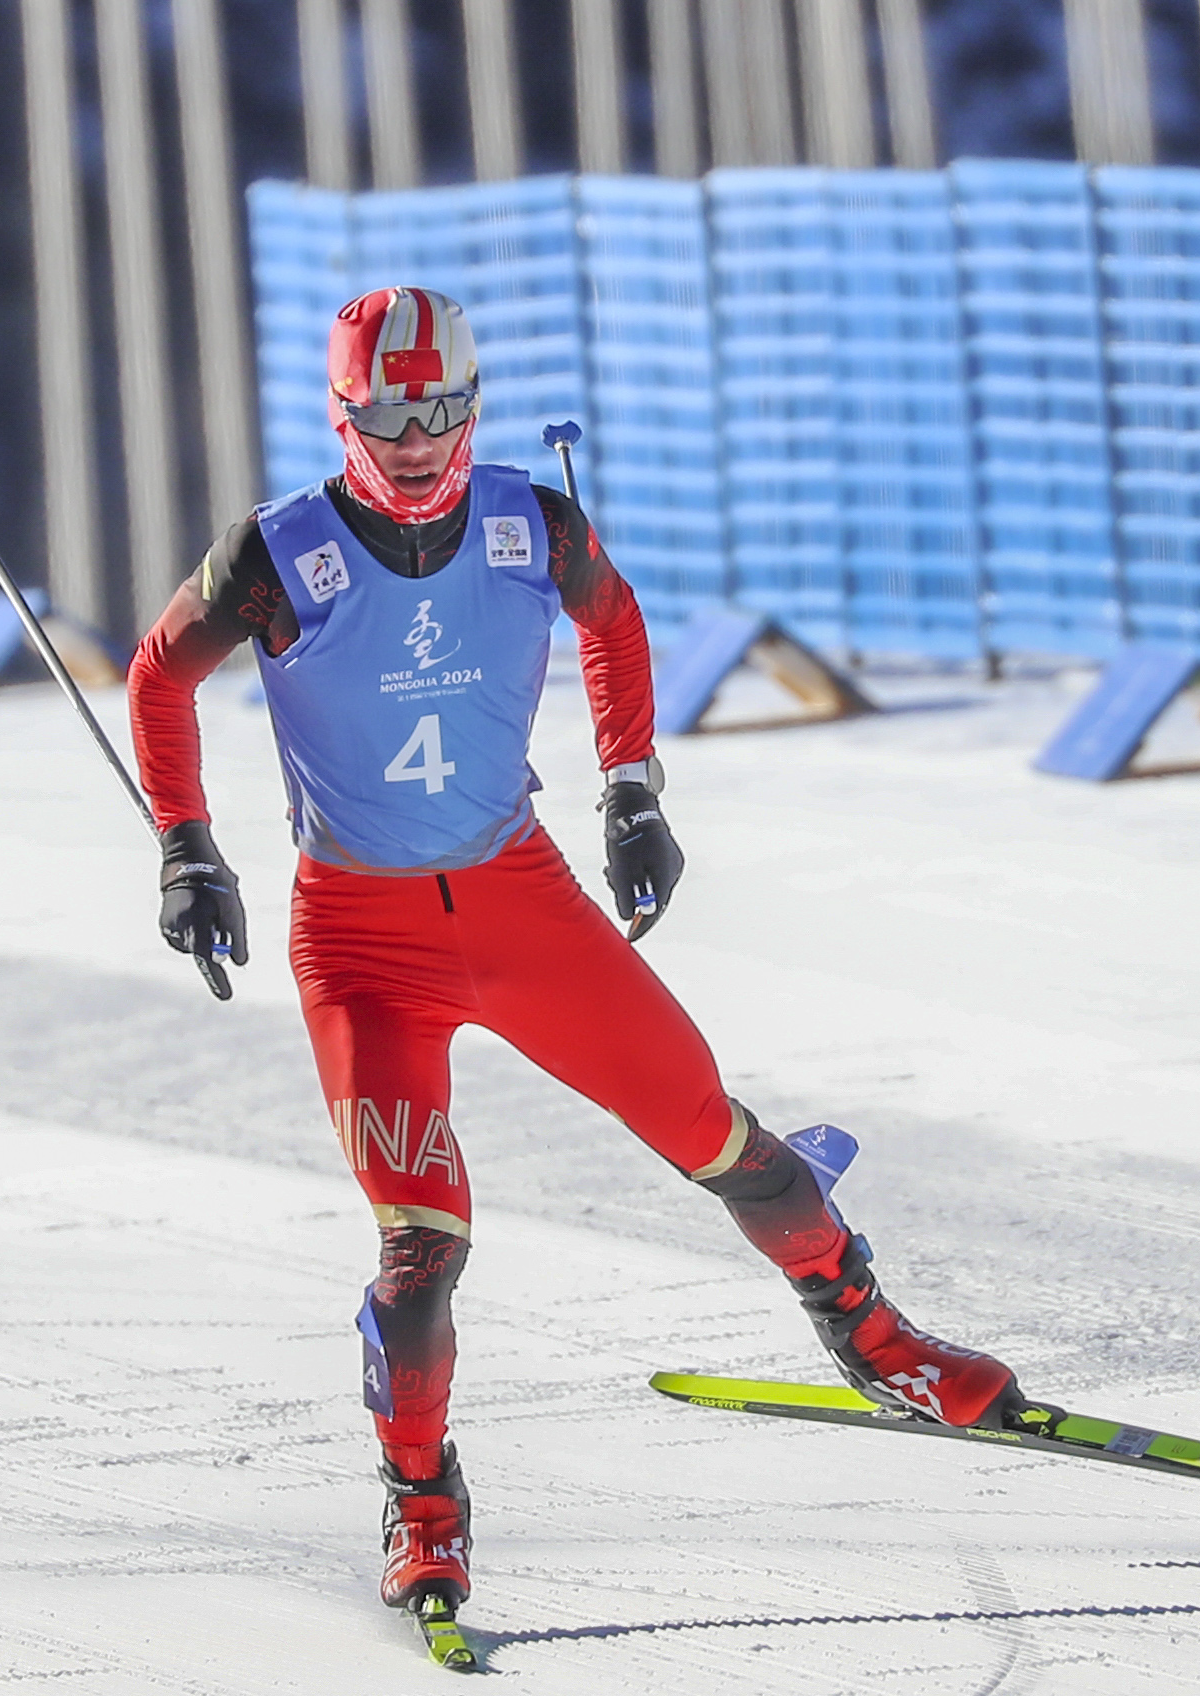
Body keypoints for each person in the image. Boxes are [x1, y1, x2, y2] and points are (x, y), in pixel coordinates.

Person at [126, 286, 1035, 1618]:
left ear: (472, 405)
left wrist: (629, 787)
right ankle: (422, 1501)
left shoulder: (530, 521)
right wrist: (186, 845)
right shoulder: (276, 552)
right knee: (421, 1253)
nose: (418, 442)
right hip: (363, 939)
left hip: (522, 903)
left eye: (441, 412)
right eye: (388, 417)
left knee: (722, 1138)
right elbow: (157, 674)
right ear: (342, 414)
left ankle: (877, 1341)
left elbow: (612, 621)